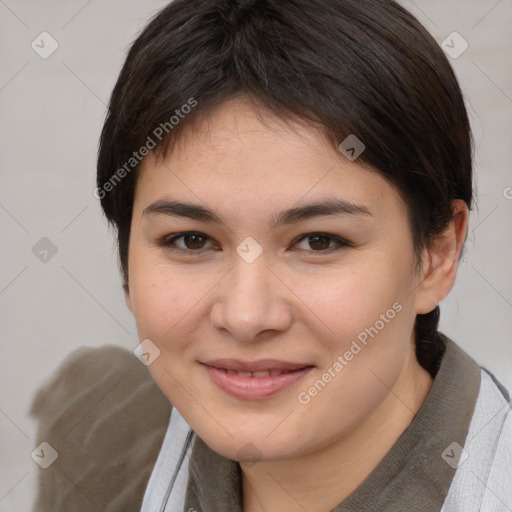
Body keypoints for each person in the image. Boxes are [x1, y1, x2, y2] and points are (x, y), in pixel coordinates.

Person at [30, 0, 511, 510]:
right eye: (191, 240)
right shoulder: (98, 455)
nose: (245, 316)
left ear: (438, 252)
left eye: (318, 241)